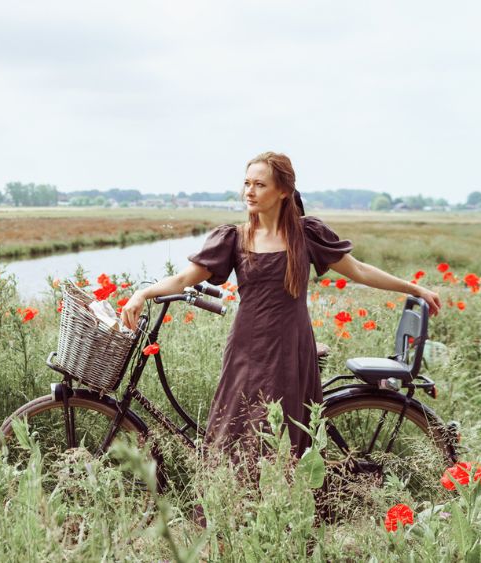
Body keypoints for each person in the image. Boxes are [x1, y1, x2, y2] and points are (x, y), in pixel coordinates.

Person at [121, 151, 442, 460]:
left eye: (260, 184)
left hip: (291, 348)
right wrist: (142, 294)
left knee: (288, 433)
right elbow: (184, 278)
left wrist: (413, 287)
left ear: (284, 191)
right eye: (247, 183)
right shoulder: (235, 238)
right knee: (237, 429)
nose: (250, 191)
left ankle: (288, 508)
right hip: (246, 348)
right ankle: (237, 510)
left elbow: (359, 270)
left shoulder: (306, 235)